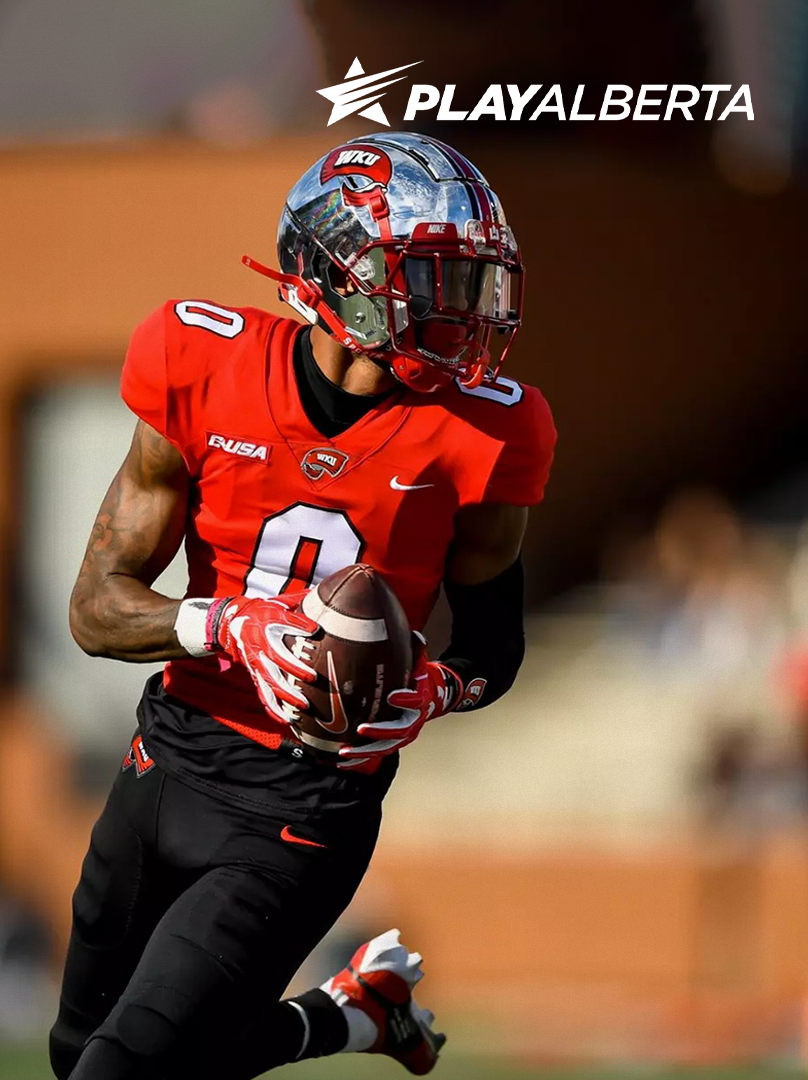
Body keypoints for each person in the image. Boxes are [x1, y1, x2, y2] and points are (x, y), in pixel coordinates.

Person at [52, 133, 552, 1079]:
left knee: (124, 1068)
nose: (461, 311)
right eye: (431, 278)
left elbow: (496, 649)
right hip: (169, 751)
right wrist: (224, 623)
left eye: (471, 280)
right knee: (79, 1052)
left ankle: (351, 1013)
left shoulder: (491, 428)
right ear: (331, 276)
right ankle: (354, 1014)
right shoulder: (199, 361)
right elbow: (93, 609)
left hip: (310, 798)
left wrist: (438, 689)